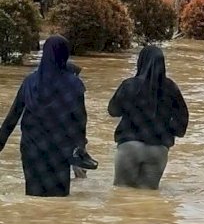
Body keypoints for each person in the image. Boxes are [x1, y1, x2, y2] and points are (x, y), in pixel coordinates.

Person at [0, 35, 94, 197]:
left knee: (33, 197)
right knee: (59, 199)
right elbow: (79, 120)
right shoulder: (74, 84)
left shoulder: (30, 82)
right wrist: (80, 148)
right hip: (60, 150)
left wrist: (0, 143)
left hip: (32, 150)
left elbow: (13, 116)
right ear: (65, 55)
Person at [108, 45, 189, 190]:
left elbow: (113, 110)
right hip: (158, 149)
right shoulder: (171, 87)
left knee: (122, 192)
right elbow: (182, 118)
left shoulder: (129, 85)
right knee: (148, 195)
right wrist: (171, 131)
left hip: (129, 146)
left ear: (141, 61)